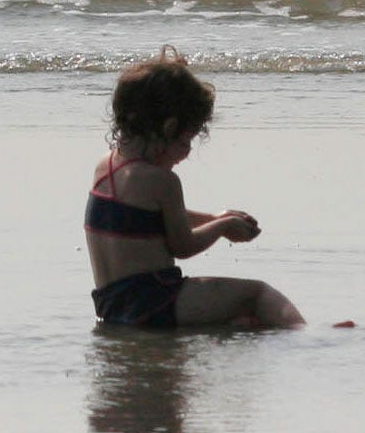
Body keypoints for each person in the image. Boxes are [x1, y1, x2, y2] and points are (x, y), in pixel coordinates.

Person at [84, 49, 306, 328]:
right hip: (156, 302)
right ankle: (307, 335)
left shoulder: (106, 166)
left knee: (243, 321)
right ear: (169, 127)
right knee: (258, 295)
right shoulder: (162, 181)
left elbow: (154, 217)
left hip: (114, 307)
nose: (186, 153)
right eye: (186, 142)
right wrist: (223, 227)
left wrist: (214, 217)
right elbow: (183, 245)